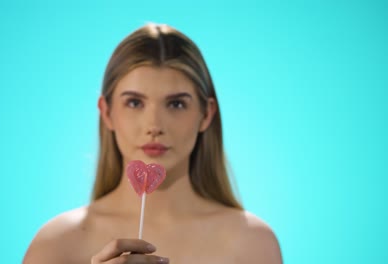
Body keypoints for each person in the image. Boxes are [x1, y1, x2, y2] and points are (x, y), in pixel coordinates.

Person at [23, 23, 282, 264]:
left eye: (176, 104)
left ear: (206, 115)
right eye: (135, 103)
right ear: (107, 113)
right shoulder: (56, 244)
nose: (154, 125)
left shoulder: (253, 243)